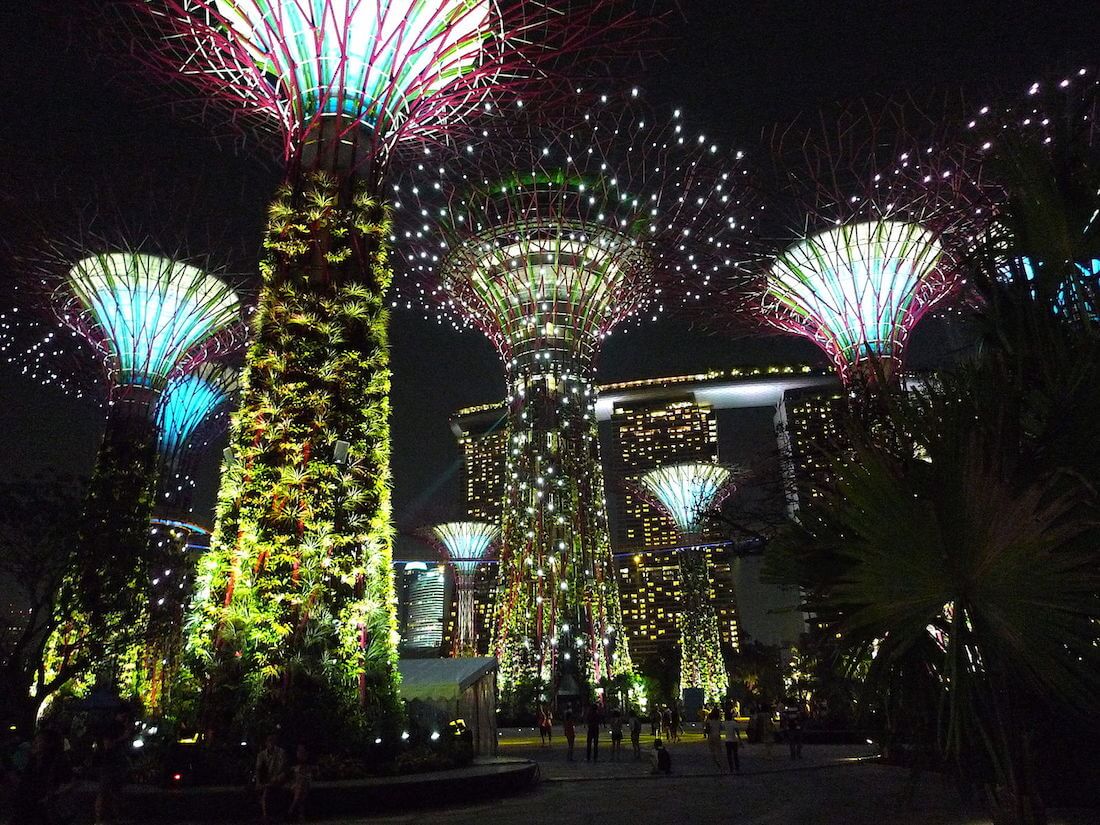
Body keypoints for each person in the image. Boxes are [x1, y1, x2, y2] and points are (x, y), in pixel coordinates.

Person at [9, 728, 73, 825]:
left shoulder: (56, 763)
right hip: (26, 809)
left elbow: (69, 783)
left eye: (38, 741)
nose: (34, 743)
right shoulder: (33, 763)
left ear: (49, 744)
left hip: (42, 812)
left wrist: (52, 796)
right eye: (34, 740)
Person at [95, 711, 130, 824]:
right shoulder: (111, 728)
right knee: (104, 791)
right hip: (109, 763)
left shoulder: (122, 728)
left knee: (116, 791)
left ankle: (116, 817)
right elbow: (108, 745)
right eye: (123, 716)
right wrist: (123, 737)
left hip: (118, 763)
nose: (125, 718)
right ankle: (99, 818)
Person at [254, 734, 288, 825]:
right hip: (266, 779)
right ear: (266, 743)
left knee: (266, 789)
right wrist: (258, 781)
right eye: (269, 741)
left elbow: (282, 769)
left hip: (277, 778)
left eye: (273, 741)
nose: (271, 743)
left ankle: (265, 816)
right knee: (262, 790)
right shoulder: (261, 755)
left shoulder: (281, 752)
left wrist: (275, 778)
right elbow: (258, 769)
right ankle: (265, 815)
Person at [285, 743, 315, 823]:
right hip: (296, 784)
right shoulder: (294, 764)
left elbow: (308, 774)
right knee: (301, 788)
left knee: (302, 785)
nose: (300, 751)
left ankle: (291, 809)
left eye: (302, 749)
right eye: (299, 750)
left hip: (305, 783)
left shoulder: (307, 761)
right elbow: (291, 775)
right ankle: (301, 816)